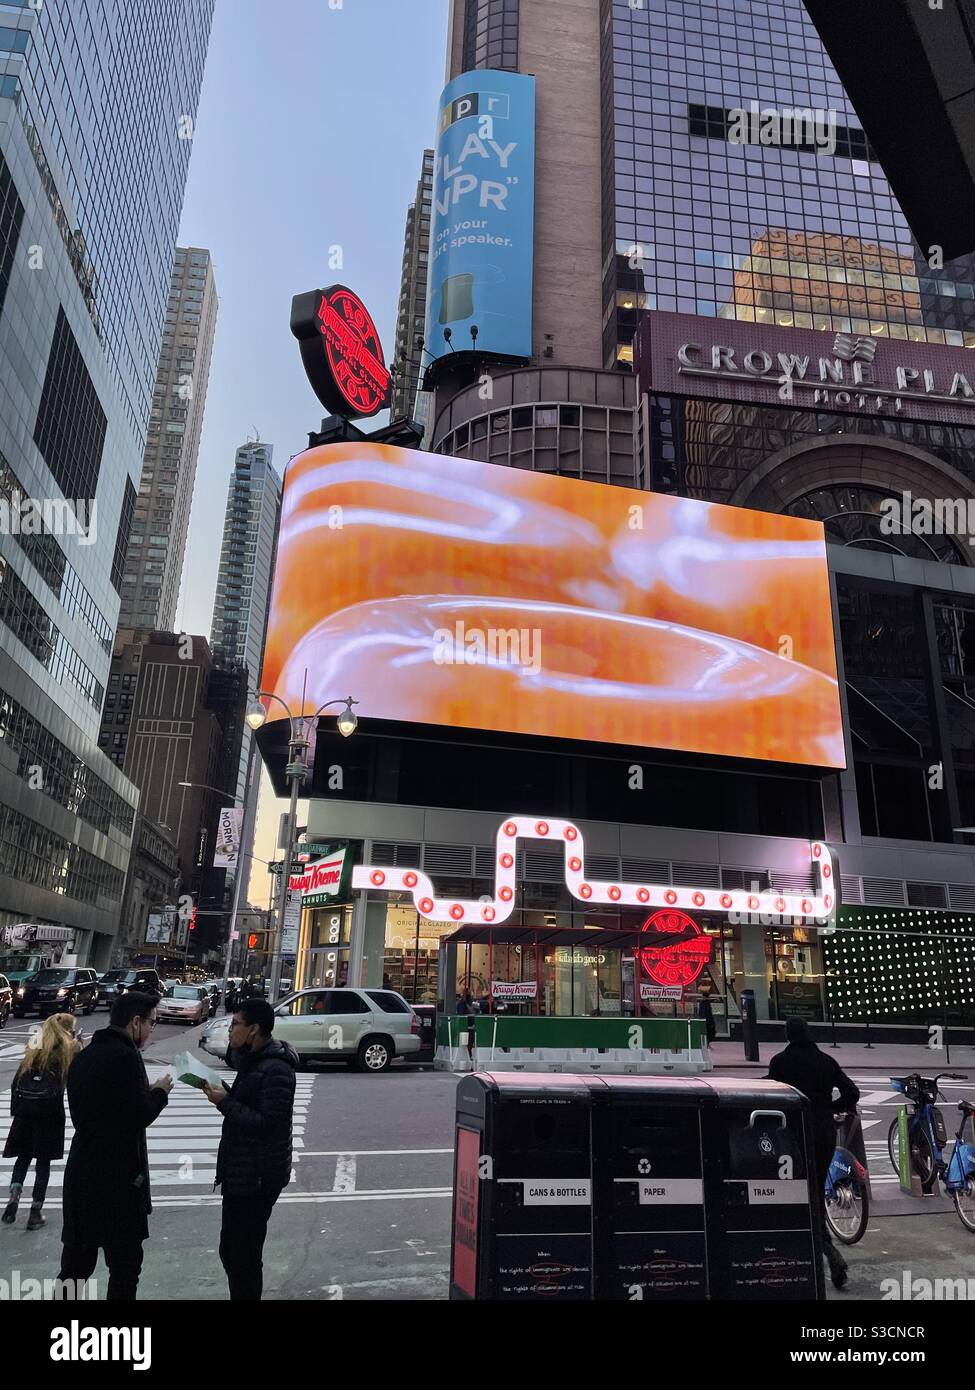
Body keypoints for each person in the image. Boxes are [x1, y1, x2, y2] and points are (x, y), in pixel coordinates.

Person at [57, 991, 172, 1300]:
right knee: (125, 1266)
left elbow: (103, 1106)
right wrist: (159, 1092)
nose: (150, 1030)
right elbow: (136, 1116)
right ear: (135, 1022)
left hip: (82, 1168)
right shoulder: (125, 1057)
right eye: (151, 1022)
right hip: (118, 1178)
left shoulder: (86, 1055)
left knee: (75, 1266)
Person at [204, 997, 297, 1300]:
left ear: (254, 1029)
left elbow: (267, 1124)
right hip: (242, 1171)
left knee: (241, 1253)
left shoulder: (277, 1070)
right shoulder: (254, 1061)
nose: (230, 1031)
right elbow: (251, 1106)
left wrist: (224, 1102)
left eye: (235, 1025)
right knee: (233, 1250)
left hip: (257, 1176)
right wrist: (224, 1094)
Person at [767, 1016, 860, 1290]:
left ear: (788, 1035)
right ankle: (823, 1248)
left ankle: (823, 1252)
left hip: (794, 1134)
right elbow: (851, 1092)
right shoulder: (826, 1061)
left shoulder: (780, 1062)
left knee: (800, 1195)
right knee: (816, 1190)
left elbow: (771, 1092)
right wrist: (831, 1108)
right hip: (823, 1132)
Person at [2, 1013, 80, 1229]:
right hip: (49, 1113)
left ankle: (13, 1198)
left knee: (22, 1159)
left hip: (25, 1112)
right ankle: (35, 1212)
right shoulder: (68, 1048)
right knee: (42, 1164)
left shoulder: (35, 1045)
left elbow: (18, 1078)